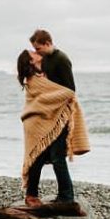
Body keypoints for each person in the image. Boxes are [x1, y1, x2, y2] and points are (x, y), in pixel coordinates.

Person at [17, 49, 89, 206]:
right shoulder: (33, 80)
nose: (37, 52)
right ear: (31, 61)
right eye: (33, 53)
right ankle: (34, 195)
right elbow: (61, 94)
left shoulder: (44, 75)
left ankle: (63, 196)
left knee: (53, 157)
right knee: (37, 158)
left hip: (50, 122)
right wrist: (68, 92)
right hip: (37, 123)